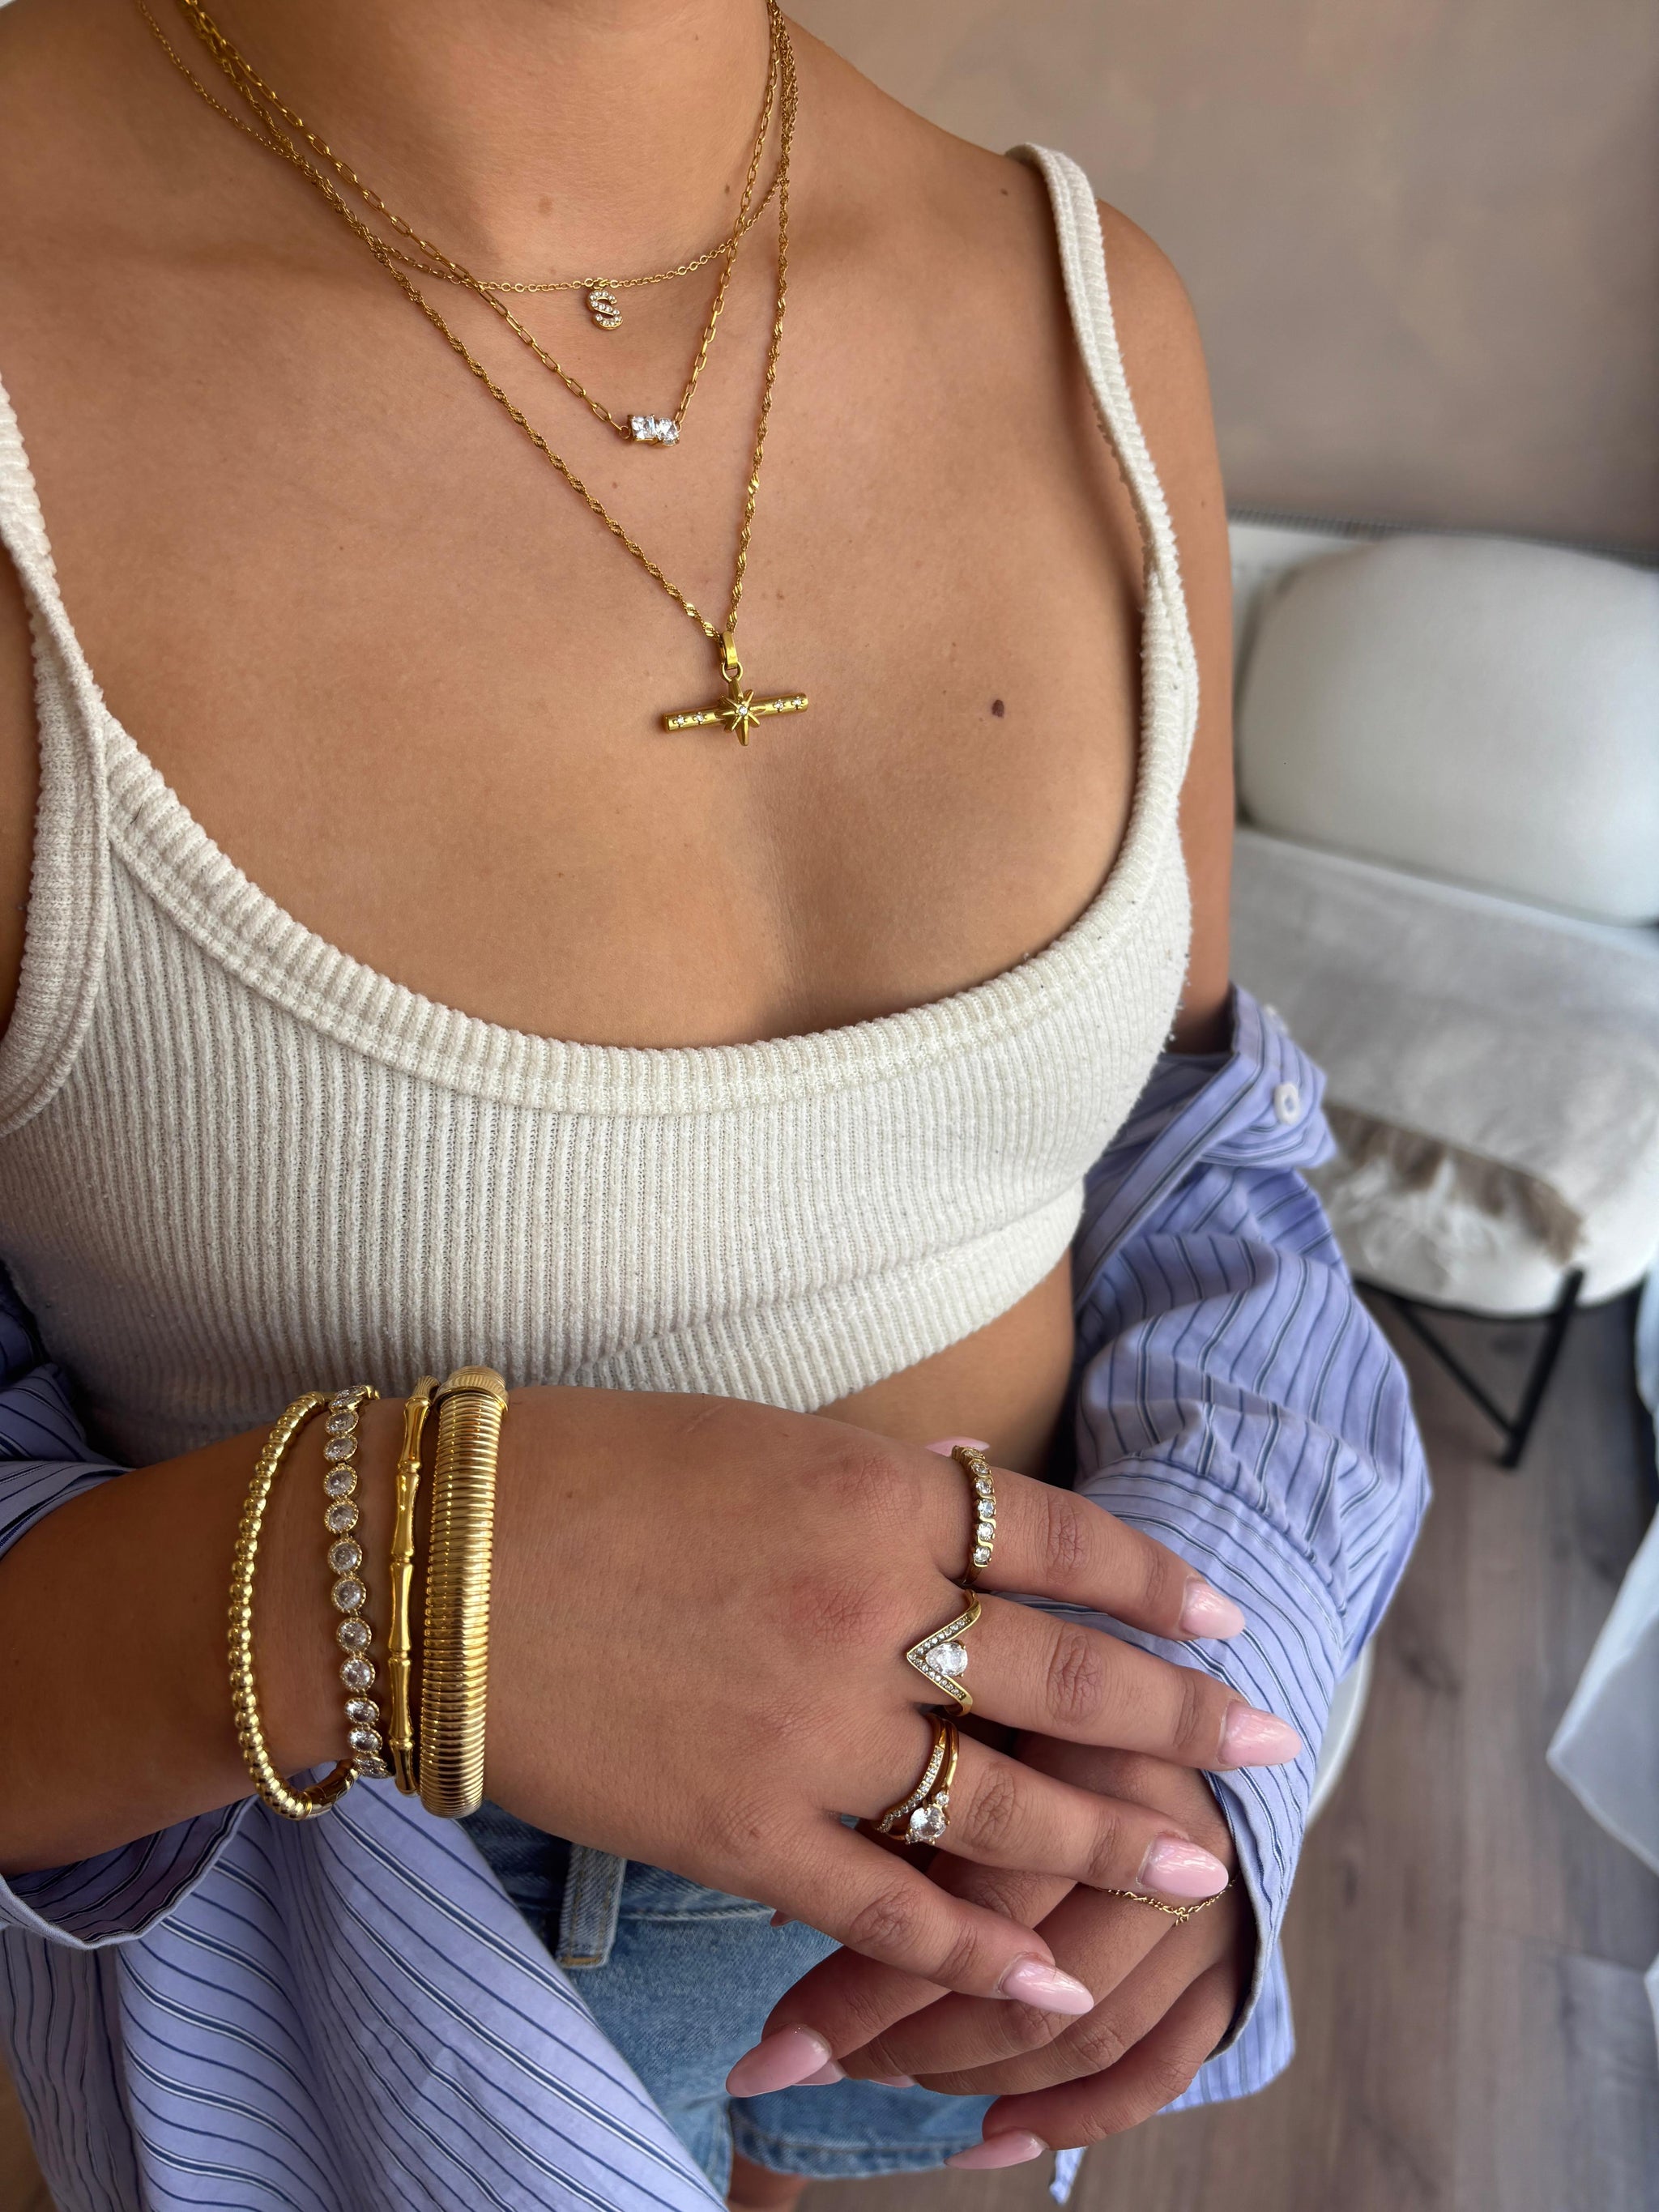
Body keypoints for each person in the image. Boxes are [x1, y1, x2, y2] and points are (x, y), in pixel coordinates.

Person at [0, 2, 1429, 2207]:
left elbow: (1196, 1159)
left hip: (996, 1970)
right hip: (361, 2033)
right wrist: (388, 1565)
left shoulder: (1088, 306)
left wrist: (1207, 1721)